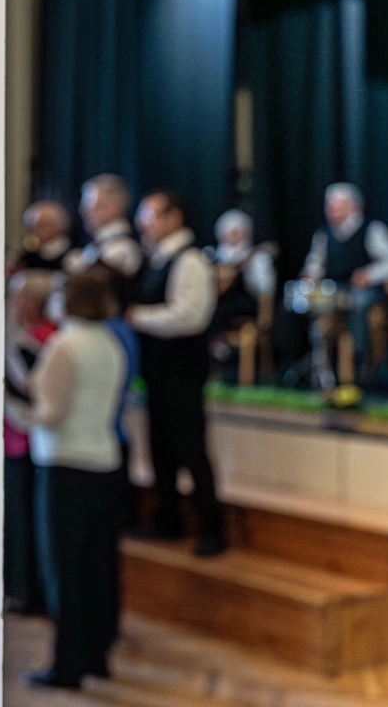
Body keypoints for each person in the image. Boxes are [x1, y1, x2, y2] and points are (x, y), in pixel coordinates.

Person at [24, 275, 128, 690]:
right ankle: (97, 655)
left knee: (64, 570)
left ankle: (67, 666)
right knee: (99, 567)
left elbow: (51, 414)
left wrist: (15, 409)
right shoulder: (110, 343)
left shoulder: (65, 344)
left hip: (65, 462)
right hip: (105, 460)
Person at [126, 190, 225, 557]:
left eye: (150, 216)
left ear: (174, 217)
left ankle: (212, 528)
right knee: (160, 445)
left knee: (190, 446)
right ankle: (167, 519)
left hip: (182, 368)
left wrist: (138, 317)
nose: (143, 224)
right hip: (158, 368)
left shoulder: (191, 261)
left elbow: (190, 317)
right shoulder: (154, 259)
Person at [300, 183, 388, 387]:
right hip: (334, 293)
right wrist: (309, 276)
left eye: (337, 207)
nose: (331, 211)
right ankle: (323, 375)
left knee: (359, 304)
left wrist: (370, 274)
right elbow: (315, 264)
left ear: (353, 206)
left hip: (367, 294)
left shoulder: (372, 230)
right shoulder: (324, 235)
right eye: (329, 206)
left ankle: (362, 364)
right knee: (309, 308)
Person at [2, 271, 57, 613]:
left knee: (26, 519)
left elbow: (37, 392)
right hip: (12, 438)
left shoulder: (50, 341)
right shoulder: (19, 336)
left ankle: (26, 590)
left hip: (33, 441)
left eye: (20, 297)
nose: (15, 304)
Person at [208, 209, 276, 370]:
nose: (231, 236)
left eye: (236, 232)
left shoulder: (256, 258)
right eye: (228, 232)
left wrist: (249, 270)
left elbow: (265, 289)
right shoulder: (213, 255)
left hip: (244, 306)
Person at [66, 174, 143, 285]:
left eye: (90, 206)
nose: (83, 212)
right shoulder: (96, 245)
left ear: (113, 208)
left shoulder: (124, 248)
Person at [11, 201, 71, 274]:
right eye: (30, 227)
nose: (34, 231)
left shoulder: (72, 257)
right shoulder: (25, 258)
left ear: (58, 226)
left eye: (41, 226)